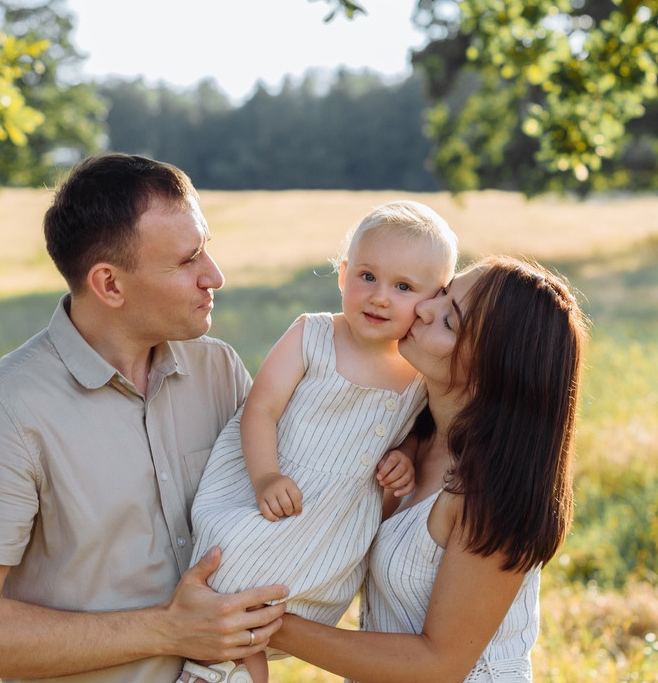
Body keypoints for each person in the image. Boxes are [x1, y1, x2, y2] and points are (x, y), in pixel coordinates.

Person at [0, 153, 287, 683]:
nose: (215, 276)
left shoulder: (220, 370)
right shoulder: (2, 412)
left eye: (206, 249)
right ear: (110, 285)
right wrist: (168, 629)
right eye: (188, 261)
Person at [268, 255, 588, 682]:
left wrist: (264, 625)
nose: (422, 308)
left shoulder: (489, 495)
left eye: (449, 322)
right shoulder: (405, 429)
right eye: (443, 294)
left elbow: (439, 665)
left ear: (492, 375)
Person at [178, 201, 459, 683]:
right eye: (367, 276)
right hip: (275, 493)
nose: (380, 298)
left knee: (273, 610)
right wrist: (266, 474)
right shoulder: (313, 334)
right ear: (343, 274)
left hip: (330, 526)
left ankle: (233, 671)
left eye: (404, 287)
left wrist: (403, 458)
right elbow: (260, 408)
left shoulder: (418, 371)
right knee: (236, 578)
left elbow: (416, 432)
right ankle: (206, 671)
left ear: (432, 301)